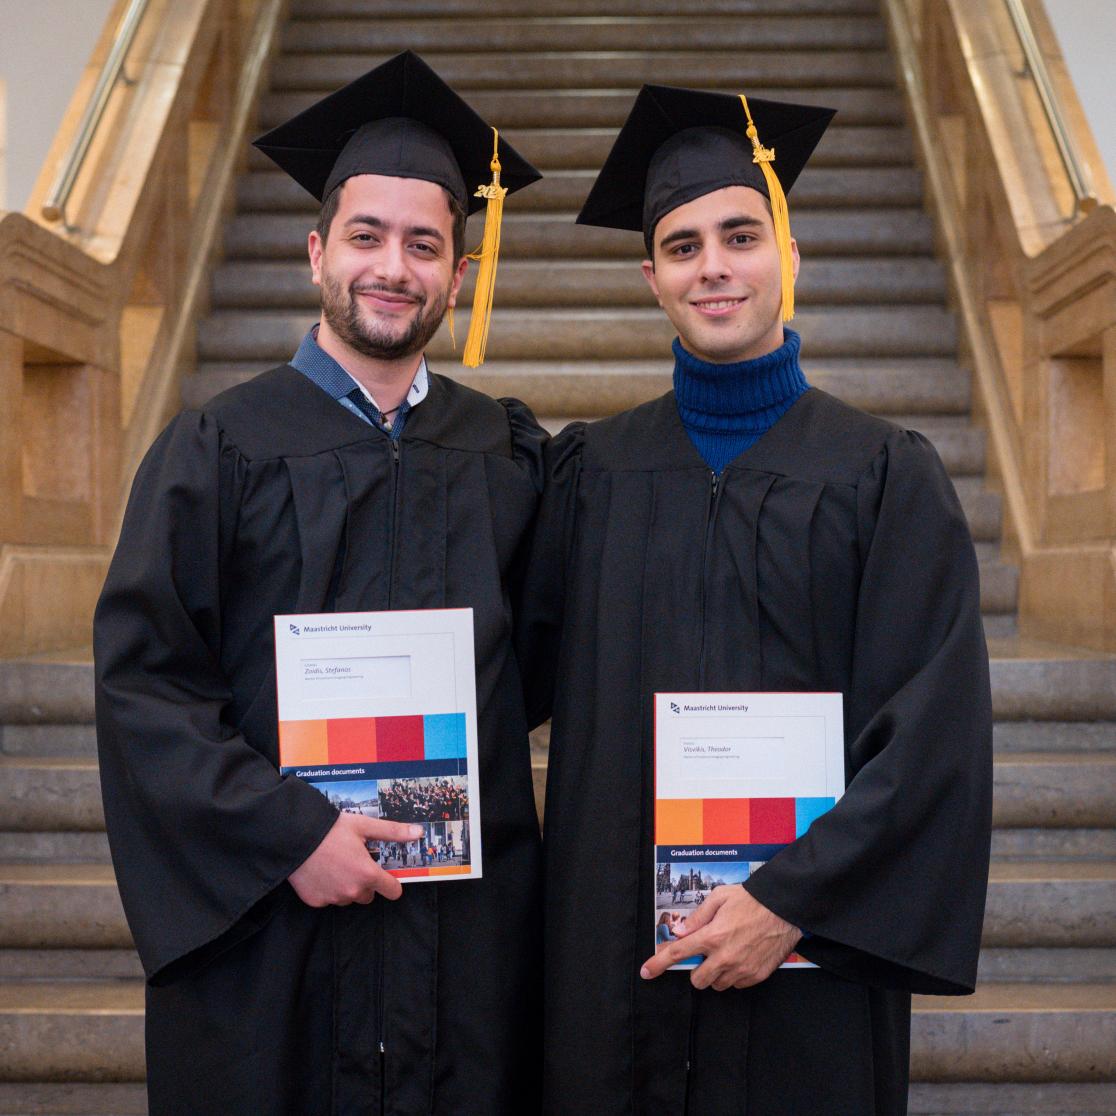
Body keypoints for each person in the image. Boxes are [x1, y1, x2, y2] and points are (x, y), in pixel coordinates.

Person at [519, 84, 993, 1115]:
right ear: (652, 279)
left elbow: (931, 734)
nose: (714, 266)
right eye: (683, 246)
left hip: (807, 957)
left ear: (787, 252)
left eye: (740, 234)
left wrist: (792, 904)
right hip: (617, 969)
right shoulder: (590, 474)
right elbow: (505, 670)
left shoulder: (884, 475)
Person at [94, 51, 545, 1115]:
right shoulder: (218, 448)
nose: (394, 266)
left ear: (459, 274)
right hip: (273, 938)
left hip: (454, 941)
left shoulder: (501, 453)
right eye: (367, 236)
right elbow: (146, 685)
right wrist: (287, 832)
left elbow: (551, 659)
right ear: (315, 252)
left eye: (424, 244)